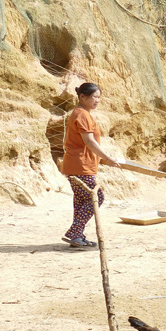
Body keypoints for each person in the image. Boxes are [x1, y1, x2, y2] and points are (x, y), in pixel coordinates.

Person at [60, 82, 119, 248]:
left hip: (77, 164)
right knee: (96, 196)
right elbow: (89, 140)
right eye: (94, 97)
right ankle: (74, 231)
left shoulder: (82, 113)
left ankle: (77, 237)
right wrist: (107, 157)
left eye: (99, 97)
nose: (97, 100)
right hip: (80, 165)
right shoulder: (82, 115)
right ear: (82, 97)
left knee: (81, 200)